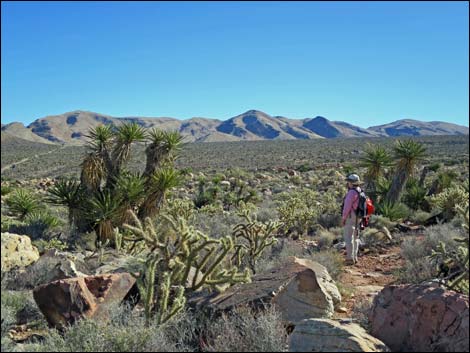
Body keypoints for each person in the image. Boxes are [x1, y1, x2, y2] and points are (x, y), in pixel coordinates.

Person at [341, 174, 363, 265]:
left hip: (351, 216)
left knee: (348, 237)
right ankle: (355, 257)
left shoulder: (351, 193)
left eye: (348, 182)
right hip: (359, 216)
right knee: (356, 237)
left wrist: (343, 218)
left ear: (351, 183)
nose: (347, 183)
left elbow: (347, 207)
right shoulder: (360, 191)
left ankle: (350, 258)